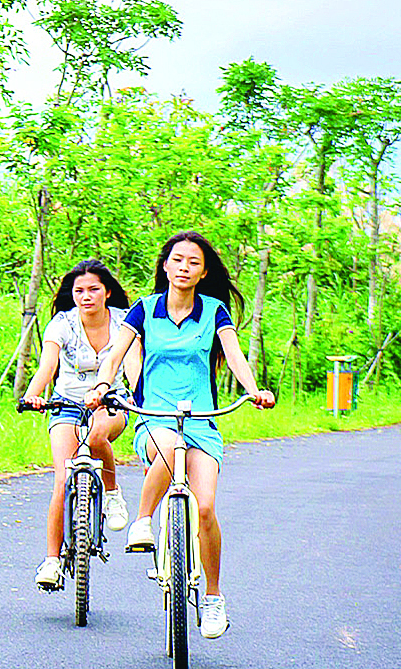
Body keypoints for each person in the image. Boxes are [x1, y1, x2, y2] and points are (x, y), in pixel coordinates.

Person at [88, 231, 275, 640]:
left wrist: (252, 389)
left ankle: (213, 597)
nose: (184, 267)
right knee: (170, 448)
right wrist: (102, 386)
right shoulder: (144, 309)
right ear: (165, 266)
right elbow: (114, 356)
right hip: (153, 414)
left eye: (193, 262)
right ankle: (142, 521)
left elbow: (234, 354)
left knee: (205, 509)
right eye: (177, 260)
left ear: (203, 271)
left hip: (202, 420)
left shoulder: (214, 311)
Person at [18, 259, 139, 592]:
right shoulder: (62, 323)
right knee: (62, 479)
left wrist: (140, 394)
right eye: (79, 291)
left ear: (108, 292)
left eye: (93, 290)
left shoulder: (123, 322)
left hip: (111, 401)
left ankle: (113, 493)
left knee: (99, 434)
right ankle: (52, 561)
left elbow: (132, 364)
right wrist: (32, 396)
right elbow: (47, 366)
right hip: (66, 404)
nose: (86, 296)